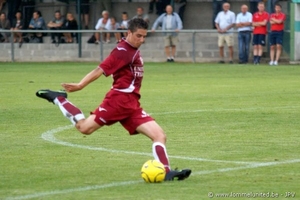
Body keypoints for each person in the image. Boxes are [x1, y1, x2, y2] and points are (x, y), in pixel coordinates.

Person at [35, 18, 192, 181]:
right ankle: (59, 99)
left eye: (144, 37)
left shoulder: (131, 47)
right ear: (129, 33)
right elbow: (100, 69)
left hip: (131, 104)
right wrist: (80, 85)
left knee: (159, 135)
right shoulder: (123, 51)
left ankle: (166, 172)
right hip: (118, 101)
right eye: (139, 36)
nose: (142, 40)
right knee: (84, 128)